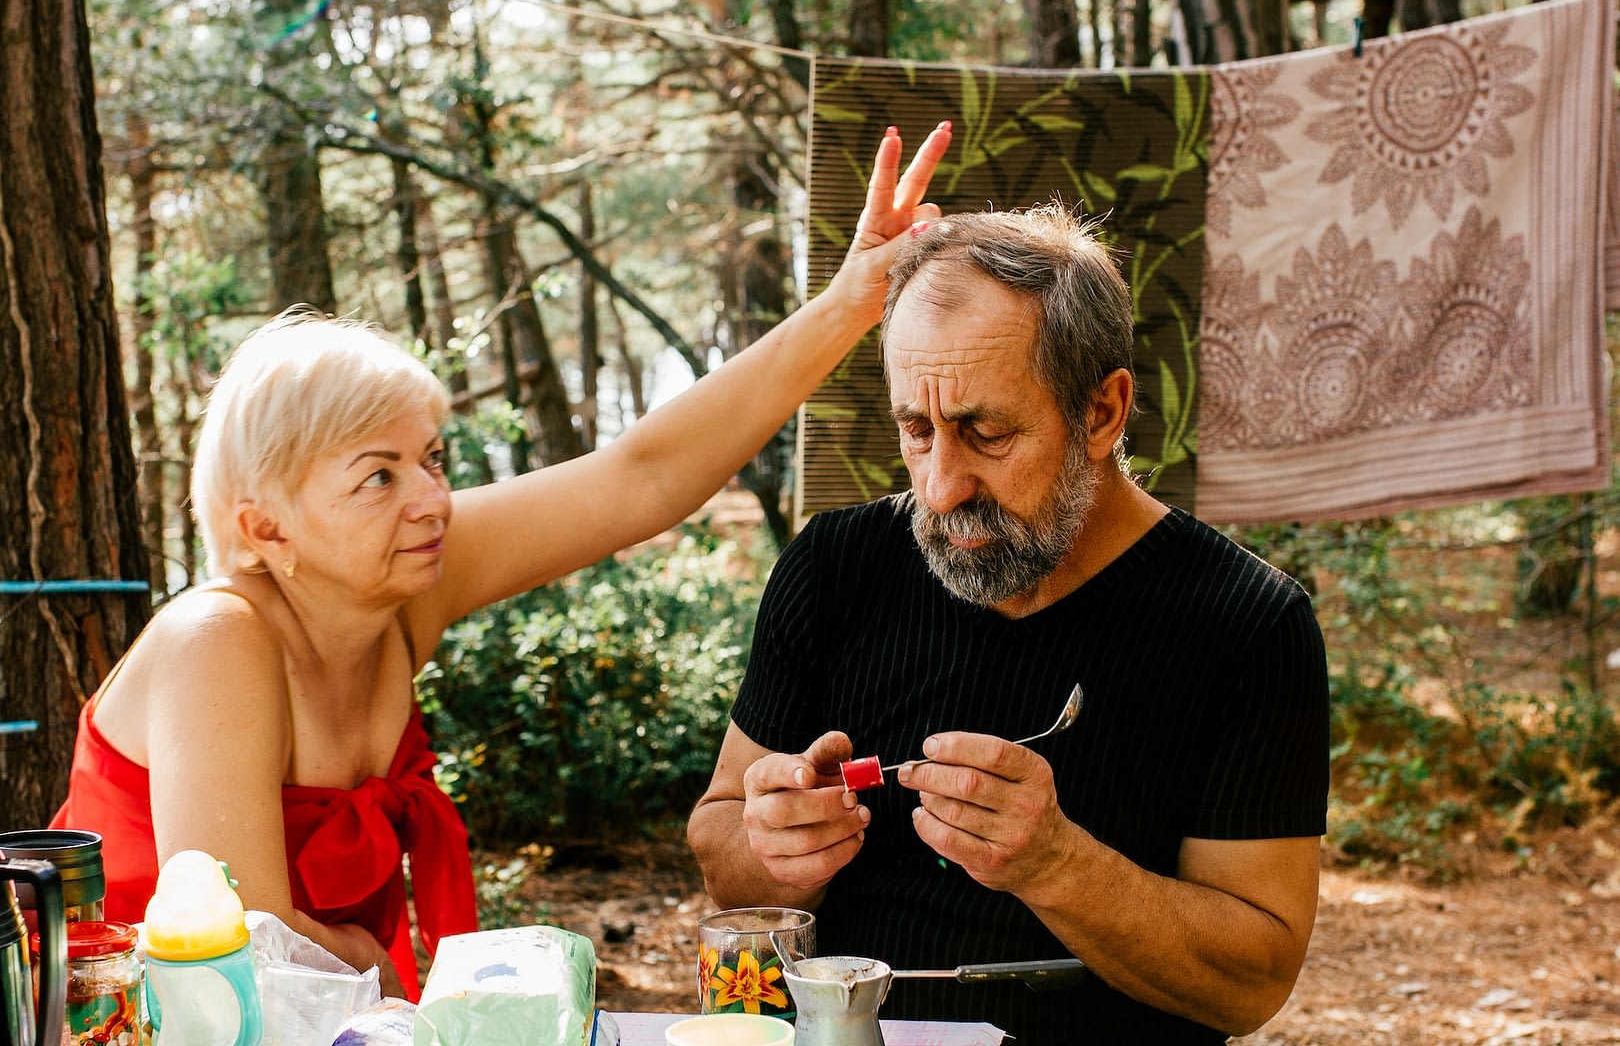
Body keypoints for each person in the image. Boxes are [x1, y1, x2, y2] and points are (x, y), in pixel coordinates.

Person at [50, 122, 953, 1000]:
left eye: (432, 459)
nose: (430, 500)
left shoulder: (405, 579)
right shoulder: (218, 637)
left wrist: (850, 304)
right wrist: (375, 960)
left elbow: (641, 478)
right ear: (268, 528)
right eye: (377, 476)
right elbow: (245, 956)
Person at [687, 205, 1329, 1042]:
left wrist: (1060, 866)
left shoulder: (1249, 625)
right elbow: (720, 845)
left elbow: (1252, 983)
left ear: (1102, 413)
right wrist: (774, 852)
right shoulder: (836, 566)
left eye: (986, 433)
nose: (942, 486)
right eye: (917, 431)